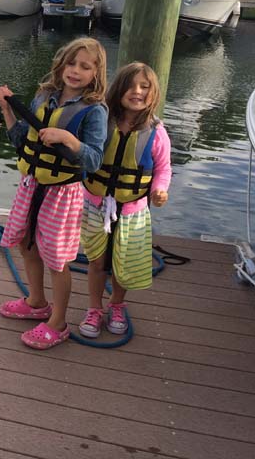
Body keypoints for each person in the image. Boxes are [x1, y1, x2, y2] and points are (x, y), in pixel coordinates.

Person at [0, 38, 108, 350]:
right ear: (60, 64)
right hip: (31, 185)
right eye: (71, 63)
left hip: (63, 193)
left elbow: (94, 160)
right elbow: (21, 140)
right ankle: (36, 302)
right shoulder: (44, 95)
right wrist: (7, 110)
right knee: (26, 244)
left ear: (96, 73)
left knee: (57, 260)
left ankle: (58, 323)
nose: (75, 71)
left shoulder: (94, 111)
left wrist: (69, 140)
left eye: (85, 67)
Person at [78, 61, 172, 338]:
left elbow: (164, 168)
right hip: (95, 204)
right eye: (131, 86)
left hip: (133, 209)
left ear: (153, 94)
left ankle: (117, 304)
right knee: (96, 261)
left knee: (123, 263)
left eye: (144, 87)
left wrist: (160, 190)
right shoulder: (101, 122)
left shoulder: (157, 133)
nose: (137, 91)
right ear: (118, 89)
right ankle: (94, 308)